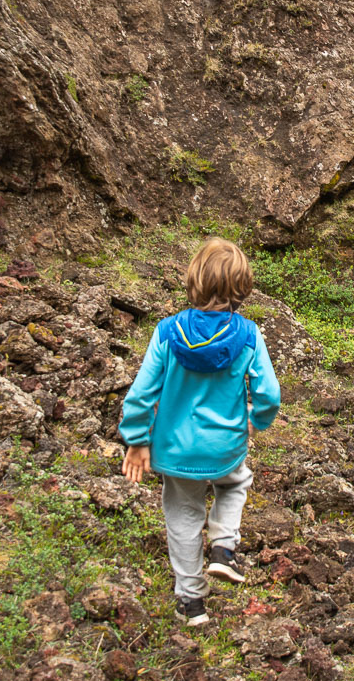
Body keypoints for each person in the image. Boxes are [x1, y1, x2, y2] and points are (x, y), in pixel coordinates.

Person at [119, 237, 280, 627]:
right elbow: (269, 393)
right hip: (224, 448)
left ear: (194, 281)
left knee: (183, 518)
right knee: (234, 484)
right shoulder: (248, 335)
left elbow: (140, 395)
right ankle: (224, 548)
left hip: (174, 452)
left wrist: (138, 440)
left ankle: (192, 603)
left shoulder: (167, 332)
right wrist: (257, 420)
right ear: (241, 289)